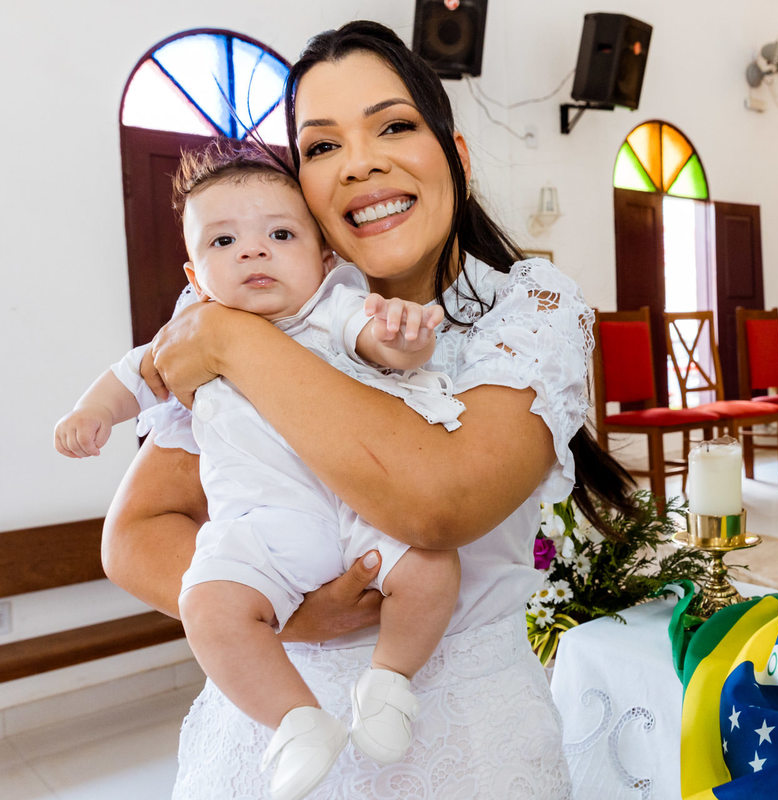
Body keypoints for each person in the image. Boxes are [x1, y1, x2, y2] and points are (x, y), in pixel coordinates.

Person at [101, 19, 638, 800]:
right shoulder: (247, 309)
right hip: (269, 736)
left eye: (393, 126)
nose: (360, 163)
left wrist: (230, 342)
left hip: (466, 744)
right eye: (321, 147)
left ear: (453, 154)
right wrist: (285, 614)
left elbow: (441, 502)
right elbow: (136, 537)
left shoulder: (529, 311)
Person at [57, 144, 465, 800]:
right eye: (225, 239)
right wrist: (91, 412)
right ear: (195, 271)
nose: (253, 251)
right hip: (260, 535)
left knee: (432, 565)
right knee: (206, 606)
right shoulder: (188, 347)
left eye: (279, 234)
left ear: (324, 259)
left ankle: (389, 682)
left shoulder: (330, 315)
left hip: (358, 516)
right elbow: (131, 377)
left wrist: (407, 334)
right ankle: (297, 722)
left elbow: (383, 340)